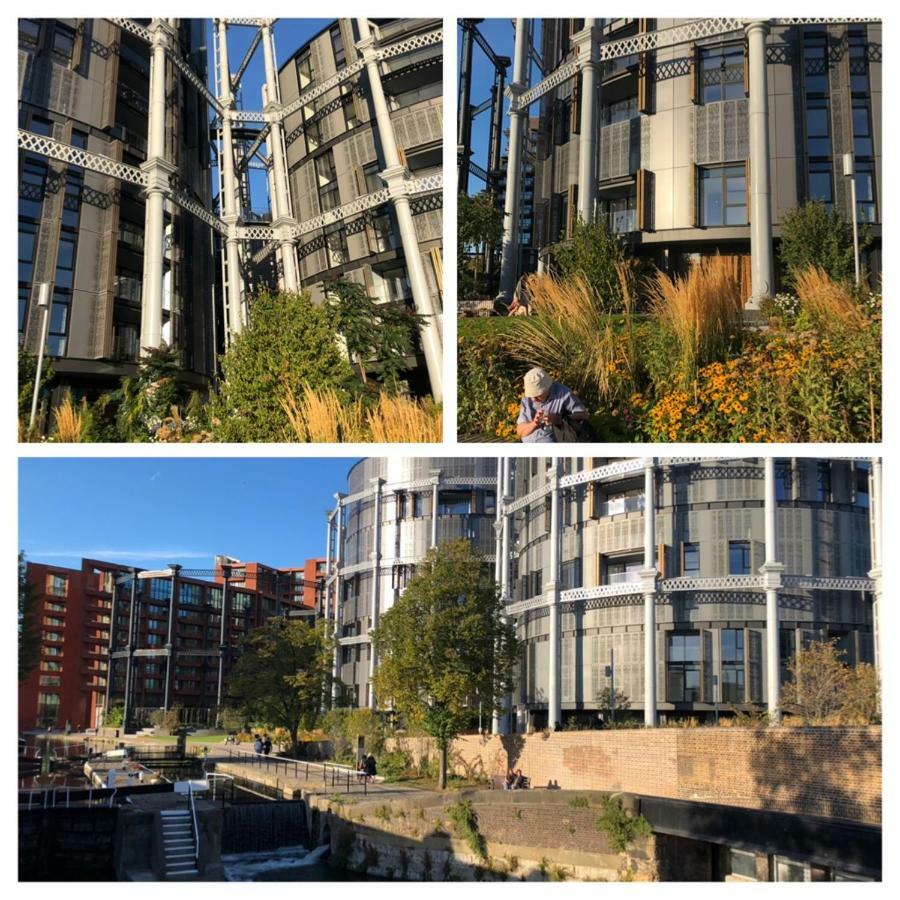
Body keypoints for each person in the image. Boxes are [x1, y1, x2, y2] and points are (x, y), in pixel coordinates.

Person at [516, 367, 589, 443]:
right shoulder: (527, 399)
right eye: (531, 395)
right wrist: (534, 423)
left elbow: (583, 414)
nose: (534, 399)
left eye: (537, 394)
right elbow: (520, 431)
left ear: (547, 388)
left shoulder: (563, 394)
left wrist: (559, 419)